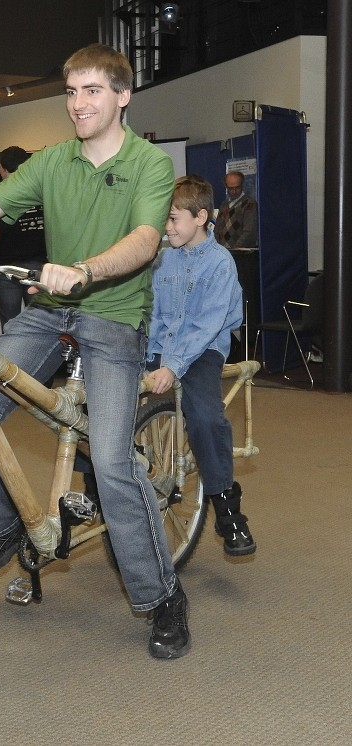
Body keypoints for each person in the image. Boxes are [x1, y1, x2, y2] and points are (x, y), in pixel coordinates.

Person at [0, 43, 189, 659]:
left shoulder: (149, 164)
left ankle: (161, 597)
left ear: (122, 96)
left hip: (114, 318)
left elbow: (145, 240)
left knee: (112, 462)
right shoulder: (52, 161)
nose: (78, 103)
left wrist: (85, 270)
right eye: (70, 91)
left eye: (92, 90)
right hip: (49, 311)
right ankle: (6, 527)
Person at [145, 175, 255, 556]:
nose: (167, 227)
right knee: (101, 398)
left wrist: (173, 366)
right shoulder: (162, 258)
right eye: (166, 219)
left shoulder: (220, 263)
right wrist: (146, 355)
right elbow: (153, 314)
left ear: (201, 217)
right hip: (163, 345)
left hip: (203, 349)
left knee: (205, 415)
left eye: (174, 219)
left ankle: (227, 508)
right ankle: (101, 488)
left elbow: (206, 325)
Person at [0, 146, 48, 327]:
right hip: (38, 264)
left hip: (8, 267)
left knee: (11, 320)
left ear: (6, 167)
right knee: (37, 320)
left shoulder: (3, 193)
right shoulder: (40, 191)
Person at [213, 170, 258, 249]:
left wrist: (235, 249)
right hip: (223, 252)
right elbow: (217, 230)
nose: (234, 191)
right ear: (226, 187)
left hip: (241, 253)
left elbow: (249, 232)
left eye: (237, 187)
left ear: (242, 185)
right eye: (230, 188)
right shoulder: (224, 205)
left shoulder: (249, 204)